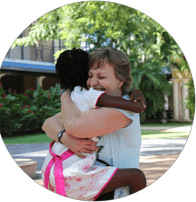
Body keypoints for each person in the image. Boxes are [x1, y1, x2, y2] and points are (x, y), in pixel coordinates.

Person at [42, 48, 146, 200]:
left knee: (136, 177)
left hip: (112, 193)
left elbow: (73, 126)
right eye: (90, 75)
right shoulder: (90, 103)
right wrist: (65, 138)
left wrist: (66, 95)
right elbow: (48, 123)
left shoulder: (124, 111)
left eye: (101, 76)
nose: (93, 82)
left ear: (120, 81)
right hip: (87, 184)